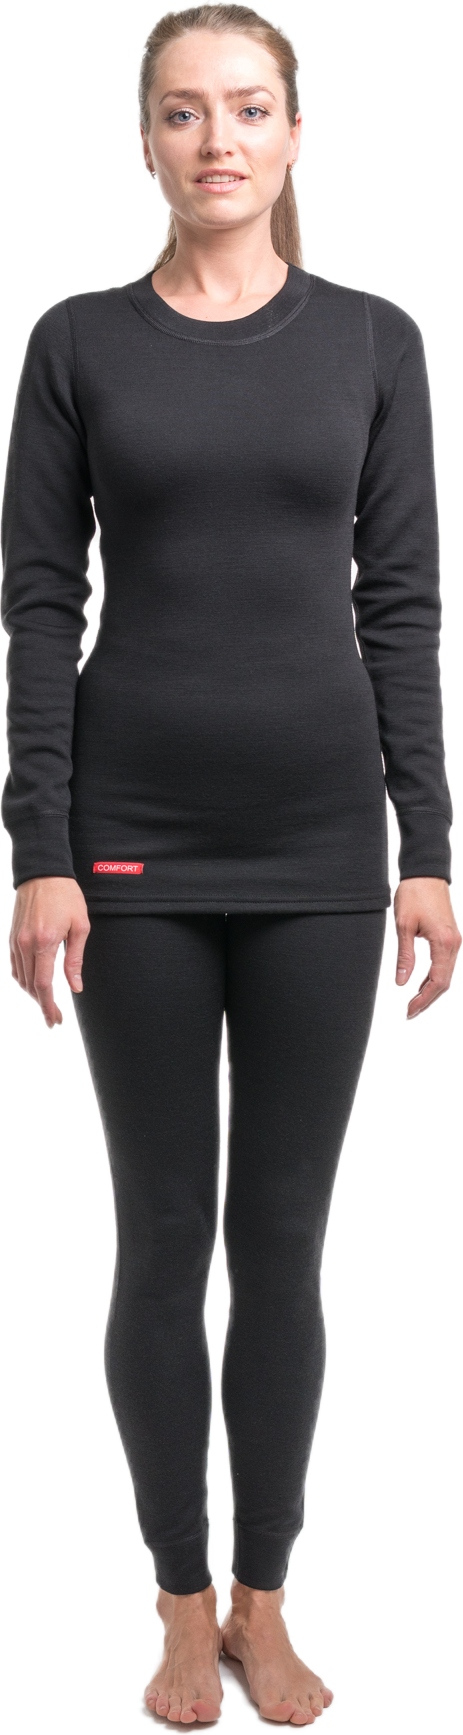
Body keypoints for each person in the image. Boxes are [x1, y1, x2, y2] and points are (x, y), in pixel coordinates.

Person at [1, 3, 460, 1726]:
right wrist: (41, 846)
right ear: (144, 139)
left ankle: (267, 1598)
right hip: (129, 849)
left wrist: (428, 846)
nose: (219, 140)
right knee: (158, 1238)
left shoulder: (375, 341)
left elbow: (401, 606)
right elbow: (38, 606)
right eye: (185, 111)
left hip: (325, 853)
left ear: (294, 134)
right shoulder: (76, 343)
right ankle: (178, 1601)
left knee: (281, 1245)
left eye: (249, 109)